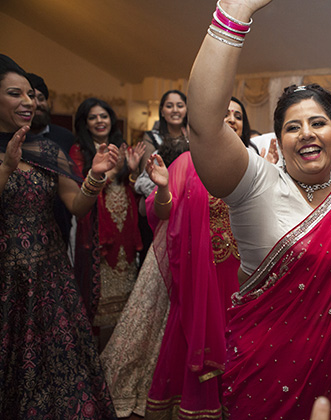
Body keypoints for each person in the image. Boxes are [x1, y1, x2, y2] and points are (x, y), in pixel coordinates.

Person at [186, 1, 331, 418]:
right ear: (278, 141)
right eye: (293, 126)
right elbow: (204, 123)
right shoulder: (256, 184)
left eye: (318, 122)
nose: (307, 133)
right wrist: (235, 12)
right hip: (266, 380)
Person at [0, 54, 118, 418]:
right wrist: (6, 165)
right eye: (15, 94)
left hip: (51, 277)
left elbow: (76, 205)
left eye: (31, 95)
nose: (28, 102)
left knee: (64, 368)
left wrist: (95, 176)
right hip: (7, 281)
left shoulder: (47, 149)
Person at [142, 147, 240, 419]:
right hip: (201, 272)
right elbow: (162, 212)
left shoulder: (246, 161)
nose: (231, 120)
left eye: (237, 116)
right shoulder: (187, 162)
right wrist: (162, 189)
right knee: (196, 333)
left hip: (241, 271)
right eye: (225, 114)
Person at [71, 97, 145, 350]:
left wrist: (133, 171)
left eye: (103, 116)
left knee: (125, 290)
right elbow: (81, 188)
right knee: (99, 295)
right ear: (85, 123)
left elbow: (132, 189)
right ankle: (96, 356)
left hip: (124, 221)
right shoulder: (79, 151)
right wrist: (108, 171)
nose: (99, 121)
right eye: (93, 117)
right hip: (96, 225)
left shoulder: (120, 147)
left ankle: (118, 355)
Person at [135, 90, 190, 266]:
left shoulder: (194, 135)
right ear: (162, 111)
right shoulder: (152, 137)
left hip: (188, 204)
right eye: (169, 105)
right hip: (160, 202)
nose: (175, 110)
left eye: (180, 105)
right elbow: (148, 174)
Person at [26, 72, 76, 250]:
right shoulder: (8, 140)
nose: (37, 103)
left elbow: (75, 198)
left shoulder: (65, 137)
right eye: (31, 97)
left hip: (58, 225)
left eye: (41, 98)